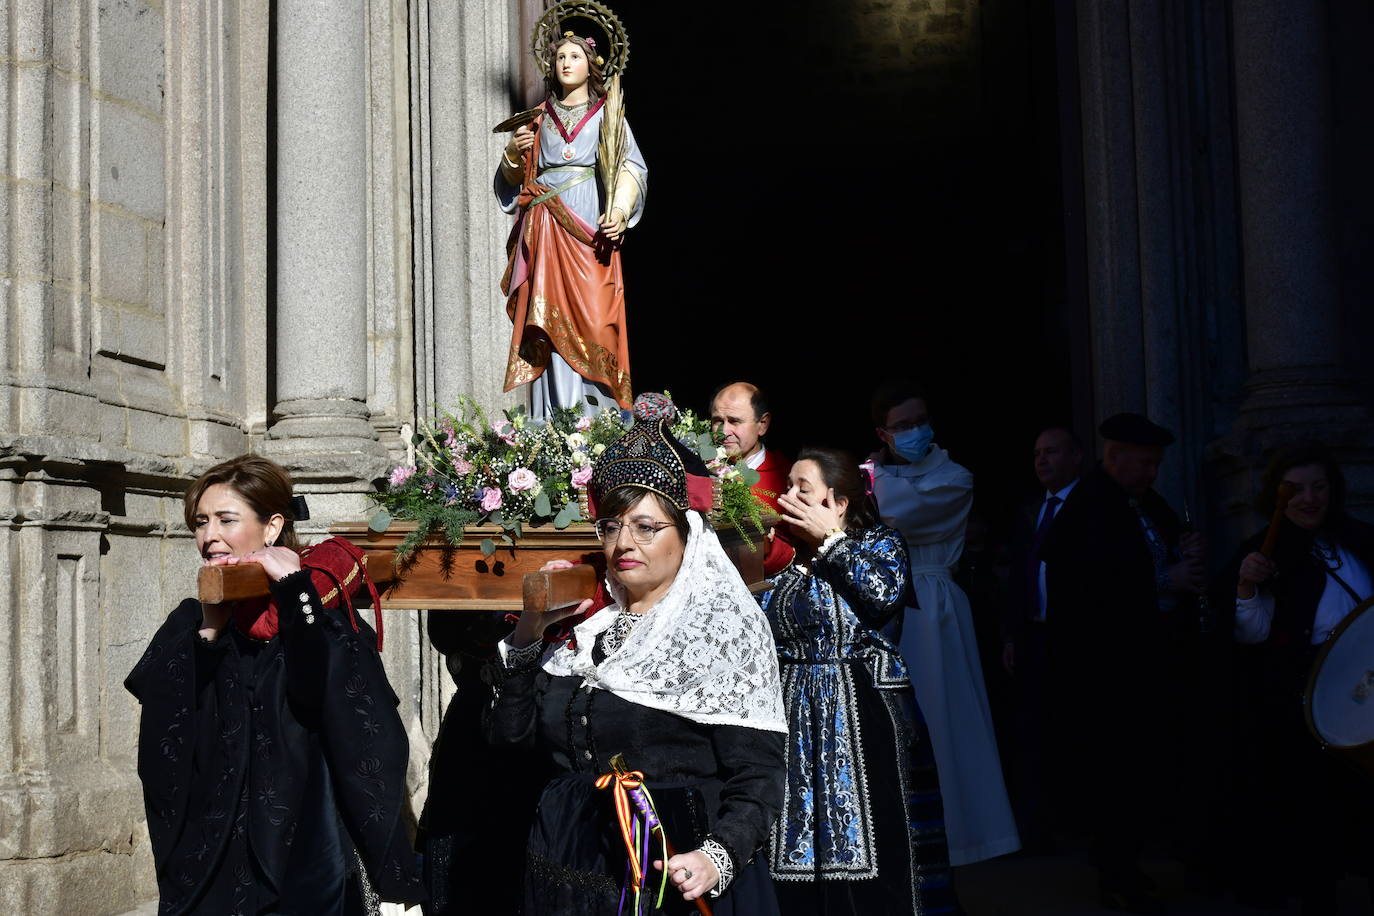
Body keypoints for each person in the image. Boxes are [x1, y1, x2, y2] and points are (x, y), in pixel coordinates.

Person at [487, 393, 788, 914]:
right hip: (569, 864)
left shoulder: (720, 631)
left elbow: (758, 775)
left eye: (646, 527)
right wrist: (529, 631)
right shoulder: (585, 631)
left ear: (687, 536)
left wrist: (718, 857)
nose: (623, 542)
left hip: (672, 869)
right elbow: (509, 743)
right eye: (611, 526)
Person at [124, 455, 423, 914]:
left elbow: (316, 693)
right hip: (215, 842)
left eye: (226, 520)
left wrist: (294, 592)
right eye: (201, 522)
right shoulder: (190, 619)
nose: (209, 536)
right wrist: (208, 634)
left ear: (272, 526)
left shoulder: (314, 612)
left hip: (300, 841)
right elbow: (168, 732)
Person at [763, 447, 959, 915]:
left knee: (879, 843)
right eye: (787, 487)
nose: (788, 497)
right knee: (797, 845)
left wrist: (831, 541)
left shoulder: (881, 543)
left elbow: (881, 595)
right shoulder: (784, 561)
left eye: (801, 489)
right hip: (795, 715)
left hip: (865, 713)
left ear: (839, 501)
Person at [1040, 413, 1205, 914]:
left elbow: (1157, 550)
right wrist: (1163, 579)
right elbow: (1089, 586)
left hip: (1151, 662)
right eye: (1146, 463)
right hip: (1107, 673)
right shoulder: (1087, 507)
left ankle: (1133, 864)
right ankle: (1115, 872)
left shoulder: (1146, 503)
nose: (1154, 473)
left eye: (1157, 464)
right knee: (1112, 775)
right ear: (1114, 458)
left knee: (1142, 771)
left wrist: (1183, 553)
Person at [864, 380, 1020, 867]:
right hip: (883, 602)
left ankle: (966, 836)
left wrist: (871, 475)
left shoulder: (953, 475)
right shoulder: (877, 474)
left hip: (932, 602)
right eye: (901, 426)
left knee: (945, 715)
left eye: (919, 421)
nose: (914, 431)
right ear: (883, 433)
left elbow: (899, 512)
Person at [1228, 445, 1374, 914]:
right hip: (1309, 701)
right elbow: (1251, 633)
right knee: (1316, 814)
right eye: (1295, 489)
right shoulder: (1262, 553)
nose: (1308, 498)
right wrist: (1246, 586)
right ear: (1277, 496)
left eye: (1319, 486)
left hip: (1371, 689)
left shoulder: (1358, 539)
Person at [496, 19, 647, 415]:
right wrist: (514, 152)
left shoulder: (606, 115)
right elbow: (513, 177)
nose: (566, 63)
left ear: (591, 64)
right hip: (547, 230)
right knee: (547, 318)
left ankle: (598, 419)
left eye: (575, 56)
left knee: (597, 321)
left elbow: (631, 167)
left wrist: (617, 211)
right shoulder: (539, 117)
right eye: (560, 56)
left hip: (589, 234)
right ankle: (556, 421)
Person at [1000, 426, 1083, 849]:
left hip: (1073, 638)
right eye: (1037, 454)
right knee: (1033, 730)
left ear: (1076, 458)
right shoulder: (1031, 510)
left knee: (1073, 729)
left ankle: (1075, 824)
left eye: (1052, 452)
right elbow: (1019, 576)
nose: (1042, 460)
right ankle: (1038, 827)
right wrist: (1012, 634)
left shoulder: (1089, 507)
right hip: (1033, 635)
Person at [710, 380, 794, 574]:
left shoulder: (789, 480)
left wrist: (767, 548)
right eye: (717, 421)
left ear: (762, 425)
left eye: (735, 421)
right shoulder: (699, 471)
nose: (724, 431)